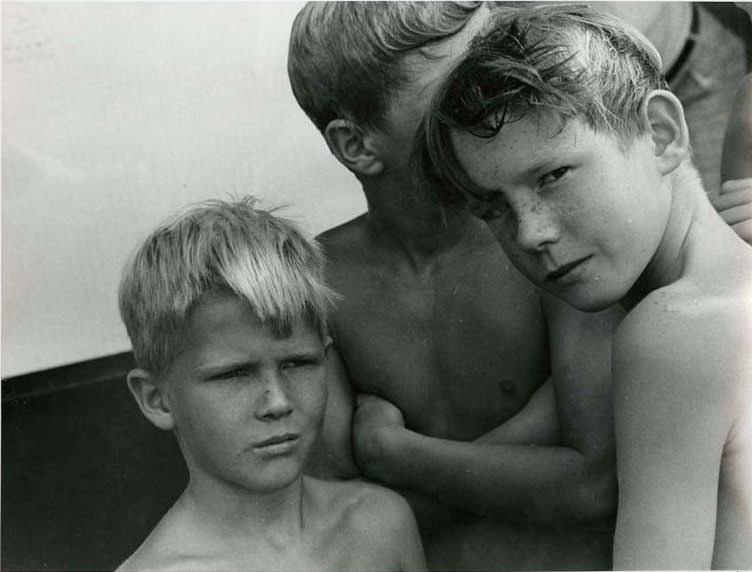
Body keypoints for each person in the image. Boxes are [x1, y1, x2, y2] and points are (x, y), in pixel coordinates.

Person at [288, 3, 623, 570]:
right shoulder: (314, 284)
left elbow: (594, 485)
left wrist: (393, 454)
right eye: (458, 88)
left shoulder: (549, 237)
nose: (497, 97)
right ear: (359, 145)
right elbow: (340, 523)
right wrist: (530, 447)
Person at [422, 5, 752, 568]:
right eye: (493, 208)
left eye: (553, 177)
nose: (532, 232)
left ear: (662, 134)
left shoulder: (674, 329)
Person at [116, 197, 425, 571]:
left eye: (299, 363)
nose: (278, 402)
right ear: (157, 399)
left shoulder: (378, 521)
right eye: (234, 374)